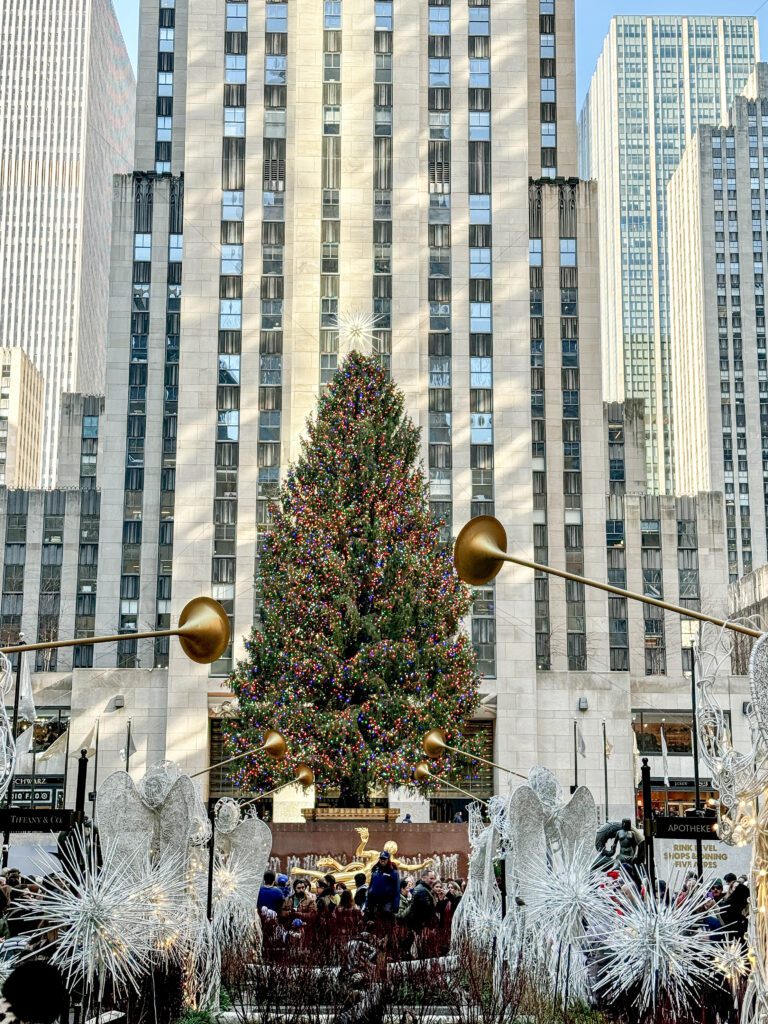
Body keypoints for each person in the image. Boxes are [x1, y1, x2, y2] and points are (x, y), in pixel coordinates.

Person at [364, 850, 400, 922]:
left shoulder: (393, 872)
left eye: (384, 858)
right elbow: (371, 887)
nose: (382, 860)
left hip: (386, 905)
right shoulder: (375, 871)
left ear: (388, 859)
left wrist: (395, 906)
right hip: (373, 904)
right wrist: (367, 902)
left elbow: (396, 890)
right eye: (381, 858)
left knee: (385, 926)